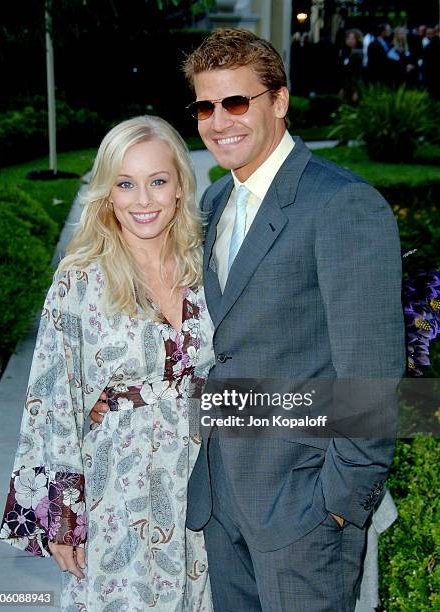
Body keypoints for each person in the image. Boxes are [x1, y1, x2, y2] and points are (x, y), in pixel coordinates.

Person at [91, 28, 405, 611]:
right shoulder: (213, 202)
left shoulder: (340, 205)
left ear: (279, 102)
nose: (219, 122)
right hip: (222, 501)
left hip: (305, 510)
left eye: (237, 102)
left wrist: (339, 504)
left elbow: (372, 376)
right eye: (204, 106)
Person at [0, 116, 215, 611]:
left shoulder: (207, 267)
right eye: (125, 183)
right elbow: (51, 405)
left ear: (180, 185)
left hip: (204, 486)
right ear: (107, 193)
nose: (143, 200)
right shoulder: (78, 282)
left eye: (157, 181)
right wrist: (64, 517)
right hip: (118, 490)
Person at [338, 29, 364, 103]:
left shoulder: (358, 54)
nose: (350, 40)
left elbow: (357, 73)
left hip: (354, 86)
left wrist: (356, 90)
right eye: (348, 38)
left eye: (352, 38)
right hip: (345, 85)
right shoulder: (344, 52)